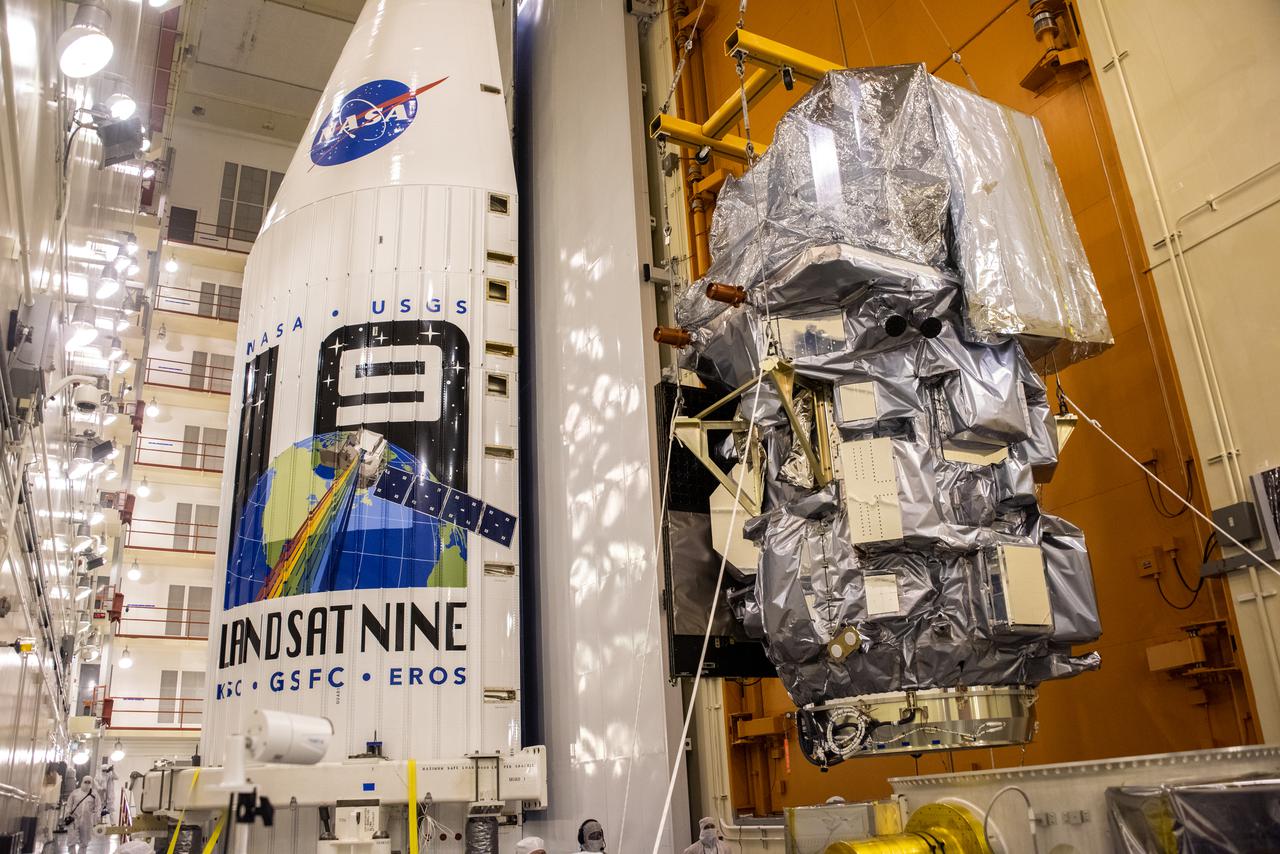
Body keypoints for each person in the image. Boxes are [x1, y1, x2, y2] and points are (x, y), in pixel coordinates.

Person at [62, 775, 99, 852]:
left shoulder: (94, 794)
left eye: (89, 782)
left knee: (84, 842)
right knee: (71, 840)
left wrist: (95, 817)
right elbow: (69, 804)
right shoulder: (75, 793)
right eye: (85, 782)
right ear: (82, 781)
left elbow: (98, 806)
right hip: (74, 819)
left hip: (87, 821)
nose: (87, 784)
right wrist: (67, 814)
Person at [34, 763, 63, 852]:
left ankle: (47, 836)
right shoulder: (52, 776)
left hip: (49, 801)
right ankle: (46, 837)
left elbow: (50, 787)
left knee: (48, 820)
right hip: (44, 801)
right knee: (44, 821)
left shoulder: (56, 777)